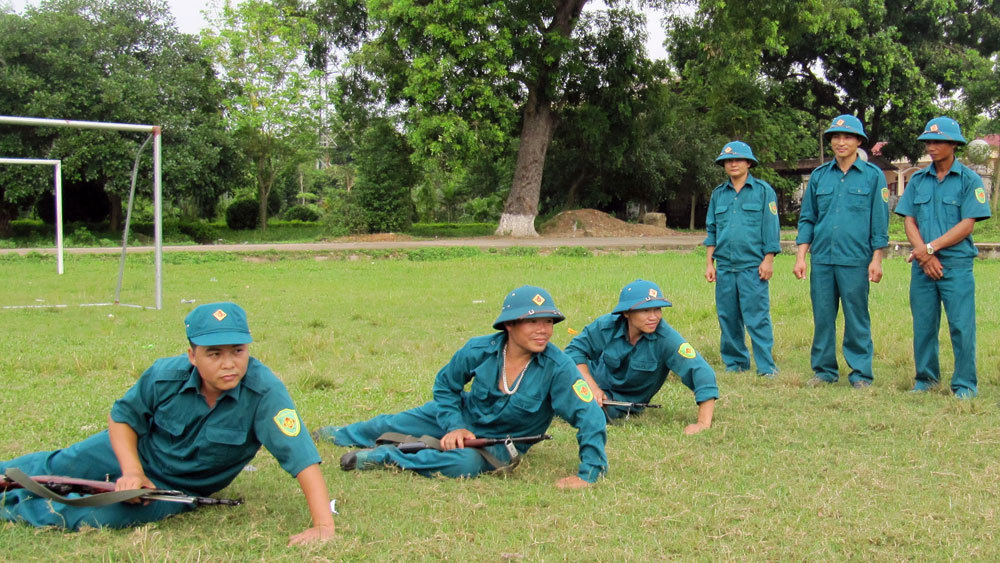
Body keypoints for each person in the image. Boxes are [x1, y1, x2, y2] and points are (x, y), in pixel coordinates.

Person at [0, 303, 335, 545]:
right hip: (129, 454)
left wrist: (323, 526)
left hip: (174, 488)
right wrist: (131, 471)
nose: (229, 364)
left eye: (238, 350)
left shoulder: (265, 392)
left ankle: (14, 508)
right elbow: (122, 419)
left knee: (94, 516)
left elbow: (303, 459)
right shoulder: (165, 375)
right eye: (214, 353)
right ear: (192, 355)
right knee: (58, 465)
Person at [313, 286, 607, 489]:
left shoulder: (558, 366)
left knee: (462, 463)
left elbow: (589, 415)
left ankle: (384, 457)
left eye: (548, 322)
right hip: (463, 416)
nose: (543, 330)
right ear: (509, 325)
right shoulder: (479, 349)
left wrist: (590, 473)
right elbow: (446, 385)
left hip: (501, 442)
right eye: (532, 322)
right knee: (392, 422)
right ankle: (339, 434)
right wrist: (454, 425)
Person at [894, 117, 991, 398]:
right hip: (923, 266)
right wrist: (924, 256)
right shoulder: (918, 180)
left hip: (956, 265)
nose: (931, 147)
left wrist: (930, 249)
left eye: (938, 141)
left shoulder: (969, 180)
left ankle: (964, 384)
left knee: (961, 326)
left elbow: (967, 224)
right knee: (923, 324)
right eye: (928, 142)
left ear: (953, 145)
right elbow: (909, 220)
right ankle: (925, 378)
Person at [793, 115, 889, 388]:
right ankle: (824, 371)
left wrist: (877, 259)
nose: (841, 141)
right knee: (823, 317)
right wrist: (801, 256)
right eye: (836, 137)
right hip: (822, 258)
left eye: (847, 136)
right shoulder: (820, 176)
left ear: (859, 141)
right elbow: (808, 218)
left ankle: (860, 373)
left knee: (857, 316)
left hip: (856, 260)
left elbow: (879, 222)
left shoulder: (873, 177)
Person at [564, 280, 719, 435]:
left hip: (617, 401)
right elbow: (574, 351)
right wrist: (591, 387)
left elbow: (702, 374)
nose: (653, 317)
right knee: (552, 377)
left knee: (587, 413)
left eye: (657, 309)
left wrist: (703, 423)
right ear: (626, 313)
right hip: (589, 380)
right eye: (645, 310)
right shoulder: (607, 325)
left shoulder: (666, 339)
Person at [704, 141, 782, 377]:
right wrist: (710, 263)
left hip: (752, 267)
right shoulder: (718, 194)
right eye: (728, 160)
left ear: (748, 163)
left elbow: (771, 227)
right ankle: (735, 363)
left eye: (738, 159)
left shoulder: (763, 191)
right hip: (725, 267)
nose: (733, 164)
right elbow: (712, 230)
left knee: (757, 317)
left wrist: (768, 259)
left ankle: (766, 366)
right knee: (728, 317)